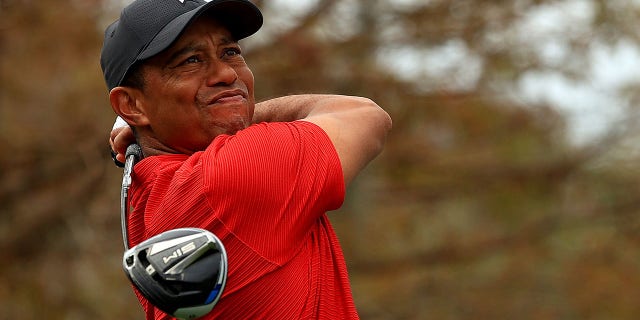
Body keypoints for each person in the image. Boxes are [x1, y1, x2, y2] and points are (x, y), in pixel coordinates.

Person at [102, 0, 392, 319]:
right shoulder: (232, 174)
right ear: (131, 104)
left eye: (230, 52)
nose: (226, 73)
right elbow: (365, 116)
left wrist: (217, 109)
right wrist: (236, 108)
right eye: (191, 60)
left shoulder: (147, 191)